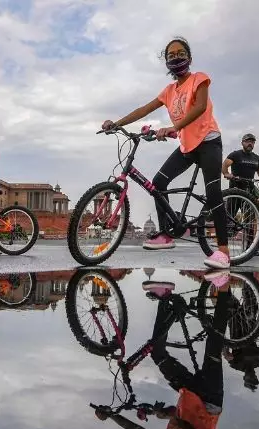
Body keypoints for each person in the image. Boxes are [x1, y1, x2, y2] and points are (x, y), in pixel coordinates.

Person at [95, 280, 230, 429]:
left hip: (187, 393)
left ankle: (165, 298)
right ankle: (224, 290)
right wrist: (171, 417)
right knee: (213, 343)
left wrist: (112, 415)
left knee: (157, 353)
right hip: (210, 400)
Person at [101, 37, 230, 270]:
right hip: (188, 147)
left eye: (180, 53)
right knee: (159, 183)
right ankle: (167, 234)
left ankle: (223, 251)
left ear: (189, 57)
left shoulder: (199, 79)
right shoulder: (169, 91)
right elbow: (144, 109)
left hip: (209, 142)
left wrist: (174, 127)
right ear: (166, 61)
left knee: (213, 193)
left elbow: (200, 107)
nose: (176, 57)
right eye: (171, 55)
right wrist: (117, 123)